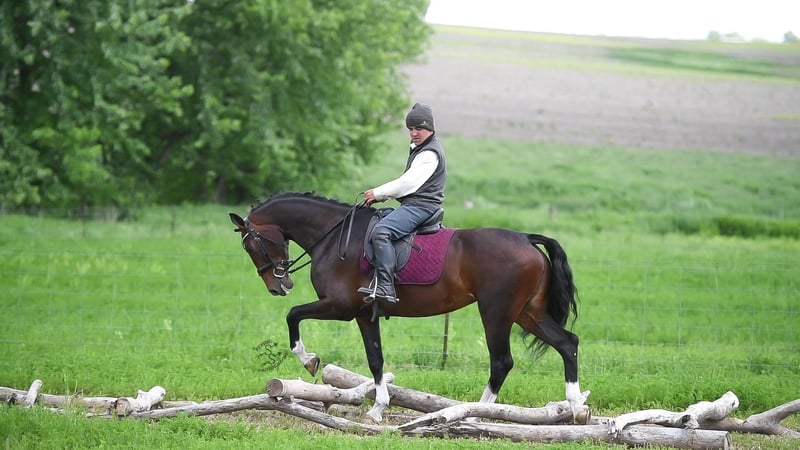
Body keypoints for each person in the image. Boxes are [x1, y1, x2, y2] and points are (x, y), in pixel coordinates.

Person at [357, 103, 446, 304]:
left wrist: (378, 193)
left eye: (418, 128)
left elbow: (406, 183)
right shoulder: (421, 148)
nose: (414, 133)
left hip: (421, 207)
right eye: (410, 129)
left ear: (430, 128)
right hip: (415, 205)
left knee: (382, 232)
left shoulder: (429, 154)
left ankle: (386, 287)